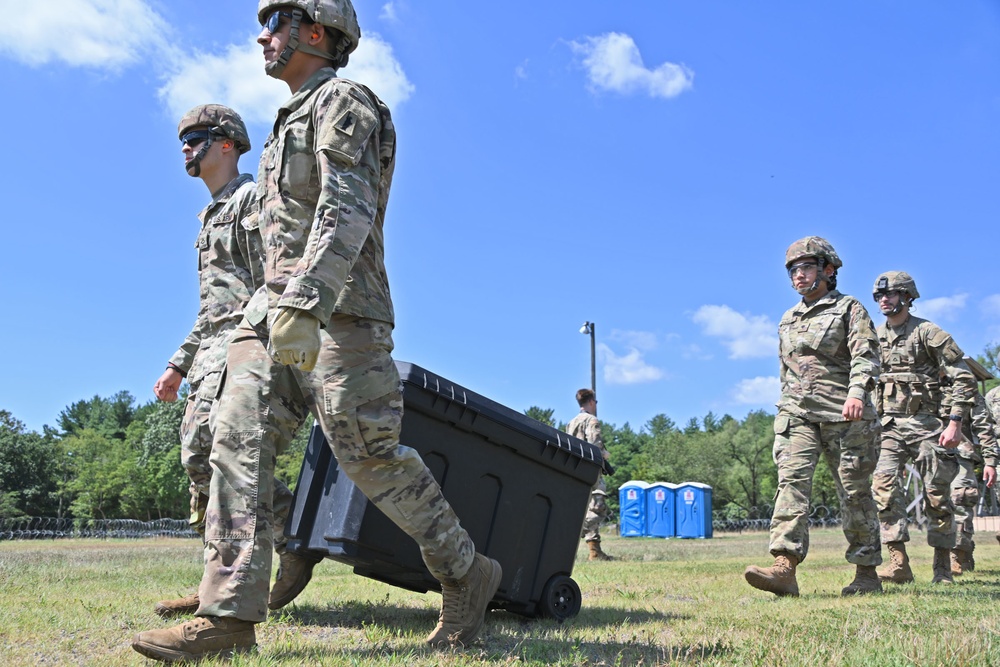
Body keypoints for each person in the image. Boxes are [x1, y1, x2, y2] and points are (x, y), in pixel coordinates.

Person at [132, 0, 501, 661]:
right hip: (269, 316)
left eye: (276, 23)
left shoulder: (345, 101)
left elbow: (346, 207)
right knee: (231, 440)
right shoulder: (281, 128)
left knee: (369, 456)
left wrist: (305, 301)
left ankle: (466, 570)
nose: (262, 36)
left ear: (315, 31)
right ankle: (228, 615)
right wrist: (267, 314)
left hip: (341, 311)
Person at [151, 105, 307, 617]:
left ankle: (275, 557)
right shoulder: (211, 215)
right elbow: (210, 309)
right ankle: (227, 570)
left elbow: (278, 273)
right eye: (183, 139)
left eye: (195, 137)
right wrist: (178, 364)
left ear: (227, 143)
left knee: (231, 459)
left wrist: (263, 341)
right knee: (197, 455)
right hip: (213, 351)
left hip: (250, 343)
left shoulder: (250, 200)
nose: (185, 147)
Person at [744, 236, 882, 597]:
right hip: (798, 415)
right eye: (792, 269)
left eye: (805, 267)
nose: (797, 275)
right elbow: (785, 370)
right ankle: (784, 568)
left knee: (854, 492)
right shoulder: (788, 318)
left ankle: (866, 572)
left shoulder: (849, 308)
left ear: (828, 270)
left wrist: (857, 392)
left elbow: (866, 356)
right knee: (791, 486)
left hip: (845, 416)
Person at [870, 271, 975, 585]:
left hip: (928, 427)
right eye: (879, 296)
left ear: (907, 296)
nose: (883, 300)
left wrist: (955, 422)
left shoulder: (928, 333)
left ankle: (942, 567)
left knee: (937, 497)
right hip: (888, 427)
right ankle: (899, 564)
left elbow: (964, 378)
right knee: (883, 488)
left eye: (890, 294)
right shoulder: (873, 337)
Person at [942, 382, 998, 575]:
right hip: (930, 454)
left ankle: (959, 554)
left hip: (961, 454)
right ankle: (947, 553)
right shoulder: (924, 383)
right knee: (937, 505)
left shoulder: (967, 388)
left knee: (961, 499)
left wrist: (990, 460)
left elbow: (984, 425)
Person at [566, 388, 613, 561]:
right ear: (592, 402)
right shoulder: (592, 420)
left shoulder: (571, 423)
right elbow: (595, 446)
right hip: (590, 472)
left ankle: (595, 551)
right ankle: (574, 531)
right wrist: (605, 457)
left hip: (574, 471)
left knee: (584, 509)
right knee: (598, 509)